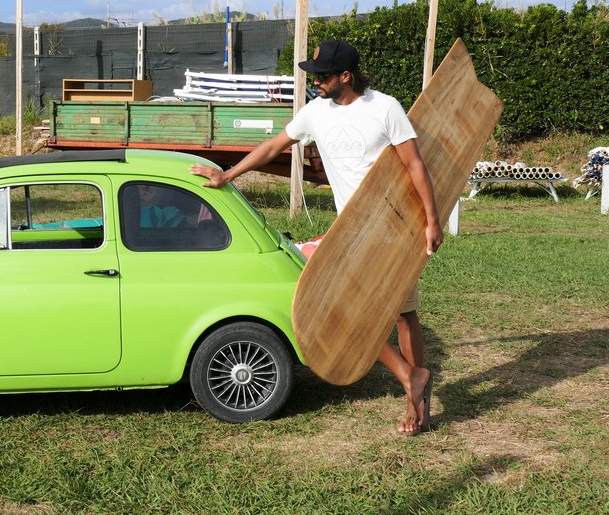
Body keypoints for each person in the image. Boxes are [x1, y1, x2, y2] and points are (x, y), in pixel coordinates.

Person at [189, 40, 443, 436]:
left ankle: (415, 401)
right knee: (347, 309)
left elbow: (415, 165)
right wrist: (227, 175)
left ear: (346, 76)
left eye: (323, 76)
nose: (317, 82)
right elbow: (274, 144)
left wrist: (432, 220)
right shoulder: (315, 113)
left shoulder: (385, 108)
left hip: (393, 228)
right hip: (352, 231)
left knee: (403, 313)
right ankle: (412, 378)